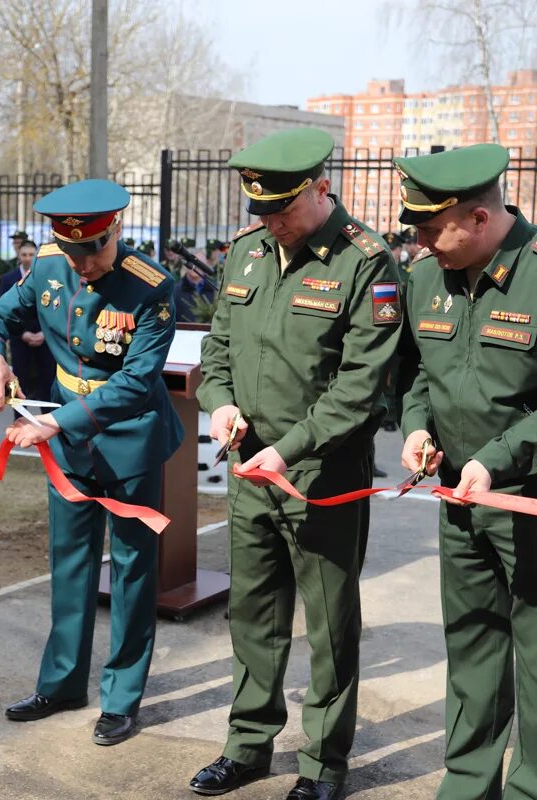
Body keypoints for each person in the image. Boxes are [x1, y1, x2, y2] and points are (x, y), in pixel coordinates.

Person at [190, 128, 401, 800]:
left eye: (284, 209)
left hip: (320, 479)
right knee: (252, 615)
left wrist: (290, 449)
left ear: (322, 189)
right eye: (263, 212)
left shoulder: (366, 263)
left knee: (330, 626)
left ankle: (322, 766)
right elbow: (217, 348)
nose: (273, 223)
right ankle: (248, 745)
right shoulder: (248, 254)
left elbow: (362, 387)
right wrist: (219, 406)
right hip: (249, 471)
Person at [395, 143, 537, 800]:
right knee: (473, 646)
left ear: (479, 218)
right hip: (459, 499)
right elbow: (419, 378)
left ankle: (536, 791)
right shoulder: (428, 277)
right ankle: (468, 782)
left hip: (534, 505)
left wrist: (496, 458)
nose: (423, 245)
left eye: (433, 229)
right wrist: (417, 429)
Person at [0, 178, 182, 749]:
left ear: (116, 232)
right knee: (70, 564)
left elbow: (138, 383)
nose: (84, 265)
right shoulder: (48, 266)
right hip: (68, 440)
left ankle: (121, 699)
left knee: (134, 573)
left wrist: (56, 423)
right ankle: (62, 683)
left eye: (94, 250)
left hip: (129, 439)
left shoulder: (152, 286)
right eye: (73, 252)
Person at [0, 240, 55, 402]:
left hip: (45, 338)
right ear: (18, 255)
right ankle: (19, 421)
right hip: (19, 338)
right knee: (18, 383)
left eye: (31, 254)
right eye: (24, 254)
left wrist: (44, 334)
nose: (28, 258)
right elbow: (5, 310)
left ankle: (48, 422)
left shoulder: (49, 278)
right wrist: (22, 334)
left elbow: (56, 309)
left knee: (47, 383)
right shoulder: (8, 279)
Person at [174, 258, 216, 323]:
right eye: (193, 262)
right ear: (185, 265)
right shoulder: (175, 291)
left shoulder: (215, 290)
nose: (196, 265)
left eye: (199, 262)